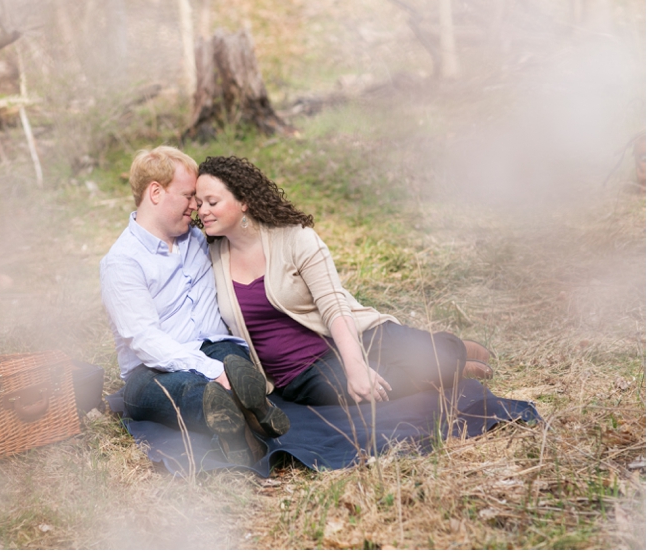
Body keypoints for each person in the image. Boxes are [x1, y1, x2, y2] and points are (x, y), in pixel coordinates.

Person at [195, 155, 494, 407]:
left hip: (355, 333)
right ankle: (449, 368)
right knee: (381, 390)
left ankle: (453, 350)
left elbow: (334, 304)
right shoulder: (209, 257)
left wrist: (354, 364)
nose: (203, 211)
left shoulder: (295, 238)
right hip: (302, 372)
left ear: (244, 201)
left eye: (212, 202)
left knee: (433, 359)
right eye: (198, 204)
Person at [100, 146, 290, 466]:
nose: (196, 207)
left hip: (213, 348)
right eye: (189, 196)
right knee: (192, 388)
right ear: (156, 193)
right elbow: (146, 341)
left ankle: (242, 416)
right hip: (152, 371)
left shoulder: (198, 239)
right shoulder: (122, 263)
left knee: (233, 360)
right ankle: (236, 421)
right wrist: (213, 372)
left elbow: (242, 228)